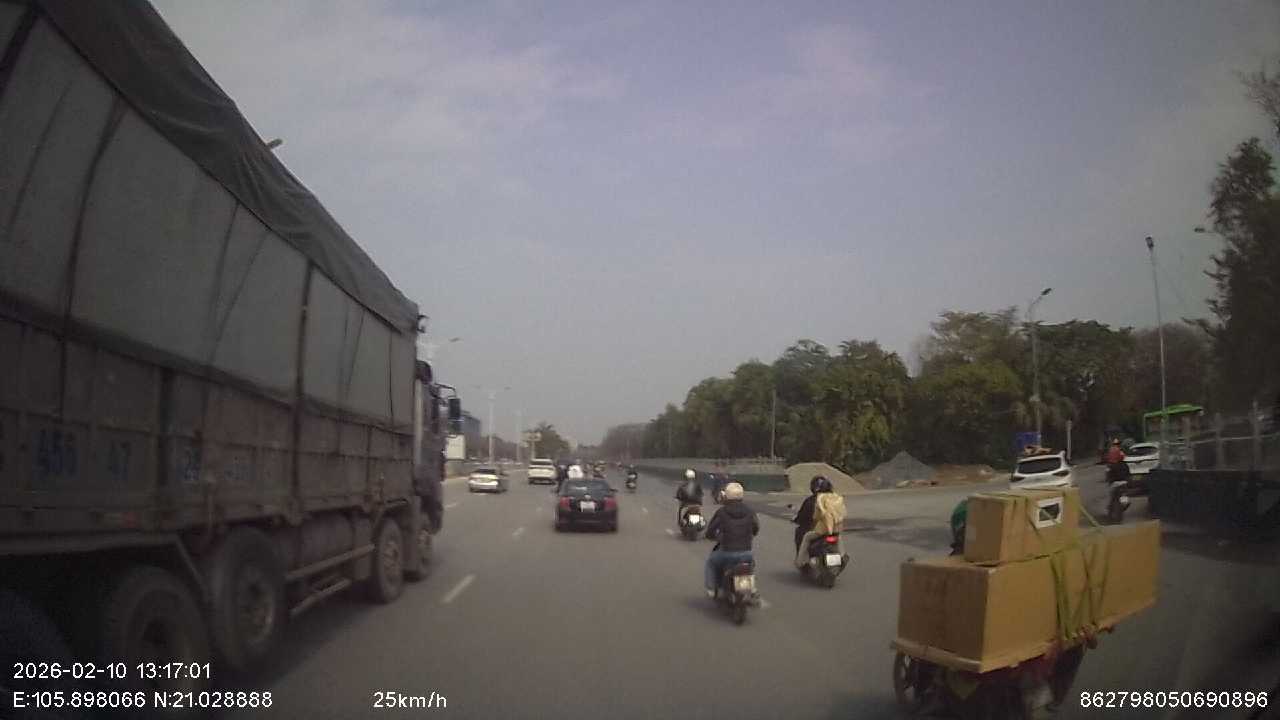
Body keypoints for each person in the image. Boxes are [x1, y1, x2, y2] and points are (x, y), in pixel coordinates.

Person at [704, 482, 759, 599]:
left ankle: (711, 589)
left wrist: (712, 536)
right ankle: (752, 589)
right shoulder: (750, 511)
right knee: (750, 565)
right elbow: (755, 528)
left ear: (726, 496)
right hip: (746, 552)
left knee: (711, 563)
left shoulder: (722, 512)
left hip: (727, 552)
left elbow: (711, 531)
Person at [793, 478, 845, 568]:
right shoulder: (837, 498)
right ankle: (842, 556)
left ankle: (800, 561)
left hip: (822, 530)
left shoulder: (816, 500)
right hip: (835, 529)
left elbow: (814, 516)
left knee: (806, 537)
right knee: (838, 537)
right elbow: (842, 513)